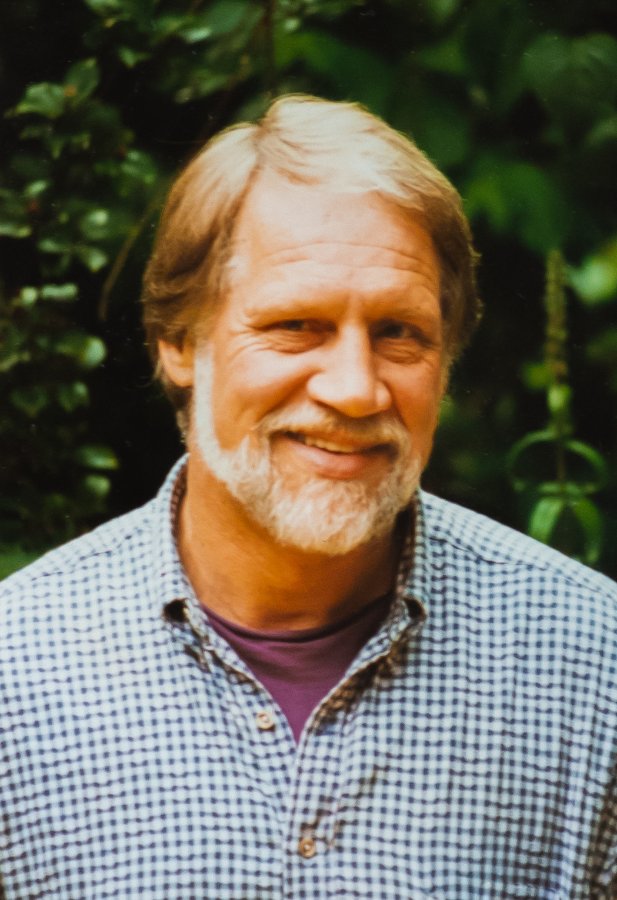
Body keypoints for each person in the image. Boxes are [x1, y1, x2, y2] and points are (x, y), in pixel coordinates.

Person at [1, 94, 615, 900]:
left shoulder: (591, 666)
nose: (355, 389)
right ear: (178, 342)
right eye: (296, 325)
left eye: (399, 333)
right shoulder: (17, 673)